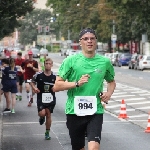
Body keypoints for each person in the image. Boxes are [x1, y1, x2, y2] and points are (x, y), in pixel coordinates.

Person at [53, 28, 116, 150]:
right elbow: (56, 86)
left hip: (95, 111)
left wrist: (109, 93)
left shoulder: (105, 62)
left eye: (92, 38)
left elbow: (111, 82)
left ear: (96, 41)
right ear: (80, 42)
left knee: (93, 147)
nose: (89, 41)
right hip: (74, 111)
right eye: (86, 39)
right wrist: (76, 83)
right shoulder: (70, 61)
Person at [30, 58, 56, 140]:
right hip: (41, 97)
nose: (48, 65)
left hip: (50, 98)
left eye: (49, 63)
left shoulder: (55, 76)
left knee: (48, 114)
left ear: (52, 65)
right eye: (46, 63)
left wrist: (55, 88)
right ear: (44, 65)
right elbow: (31, 81)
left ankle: (47, 133)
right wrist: (34, 88)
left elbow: (59, 85)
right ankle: (41, 117)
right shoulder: (38, 75)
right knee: (42, 113)